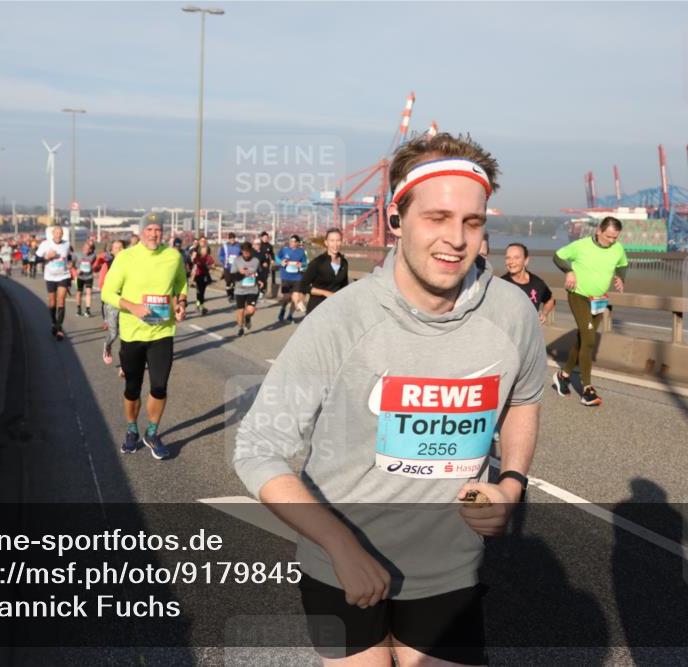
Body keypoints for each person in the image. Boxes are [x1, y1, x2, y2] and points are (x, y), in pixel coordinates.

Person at [234, 132, 545, 665]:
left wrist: (511, 483)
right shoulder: (340, 320)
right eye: (437, 218)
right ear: (396, 219)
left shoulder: (512, 312)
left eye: (472, 222)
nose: (456, 239)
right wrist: (340, 547)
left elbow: (523, 398)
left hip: (451, 571)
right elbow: (257, 449)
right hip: (343, 569)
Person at [101, 213, 188, 460]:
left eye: (157, 229)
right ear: (140, 232)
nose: (153, 233)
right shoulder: (126, 258)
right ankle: (131, 429)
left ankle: (151, 432)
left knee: (159, 386)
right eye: (148, 229)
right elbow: (107, 292)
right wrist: (133, 307)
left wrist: (181, 302)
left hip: (162, 331)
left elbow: (181, 283)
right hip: (133, 333)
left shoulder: (173, 256)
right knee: (132, 387)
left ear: (163, 232)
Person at [552, 216, 628, 407]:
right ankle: (587, 389)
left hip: (599, 300)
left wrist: (620, 277)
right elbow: (557, 256)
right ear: (599, 231)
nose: (611, 241)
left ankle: (563, 375)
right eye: (609, 236)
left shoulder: (617, 248)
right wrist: (569, 271)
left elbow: (623, 264)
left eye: (615, 238)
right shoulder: (581, 246)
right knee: (589, 340)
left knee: (584, 339)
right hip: (579, 296)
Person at [296, 227, 349, 315]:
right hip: (316, 310)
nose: (335, 244)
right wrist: (325, 293)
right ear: (326, 243)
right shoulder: (317, 262)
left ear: (341, 242)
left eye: (338, 240)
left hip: (335, 310)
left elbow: (344, 286)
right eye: (332, 241)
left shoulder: (344, 263)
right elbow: (303, 286)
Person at [36, 226, 74, 341]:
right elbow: (36, 259)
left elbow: (69, 255)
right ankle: (54, 323)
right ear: (52, 234)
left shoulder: (67, 244)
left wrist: (71, 263)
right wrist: (47, 257)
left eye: (60, 233)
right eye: (57, 233)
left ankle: (59, 328)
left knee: (61, 300)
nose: (59, 235)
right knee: (52, 303)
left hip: (64, 275)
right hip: (50, 276)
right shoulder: (45, 244)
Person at [501, 242, 555, 324]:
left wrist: (544, 313)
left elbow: (550, 300)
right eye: (508, 257)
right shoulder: (500, 283)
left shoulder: (537, 283)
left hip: (529, 333)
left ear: (526, 261)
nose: (511, 261)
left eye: (516, 257)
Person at [96, 239, 126, 369]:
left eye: (120, 248)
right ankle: (107, 345)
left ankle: (125, 365)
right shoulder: (107, 265)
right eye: (115, 248)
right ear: (112, 251)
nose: (118, 250)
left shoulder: (131, 264)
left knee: (127, 335)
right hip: (112, 302)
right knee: (114, 333)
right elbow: (101, 284)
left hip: (128, 302)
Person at [231, 241, 261, 337]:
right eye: (245, 252)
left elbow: (260, 272)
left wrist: (261, 280)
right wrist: (240, 273)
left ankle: (247, 318)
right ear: (242, 251)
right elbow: (232, 276)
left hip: (253, 289)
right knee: (240, 310)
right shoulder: (237, 260)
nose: (246, 253)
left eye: (248, 251)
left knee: (251, 310)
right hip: (240, 290)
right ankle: (240, 328)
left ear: (251, 251)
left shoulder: (256, 261)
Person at [276, 234, 308, 322]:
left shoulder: (301, 252)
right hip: (285, 277)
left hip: (297, 277)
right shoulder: (284, 249)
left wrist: (301, 265)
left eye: (293, 241)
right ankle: (283, 309)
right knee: (286, 297)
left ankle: (290, 315)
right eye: (290, 241)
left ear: (297, 243)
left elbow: (305, 264)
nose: (291, 243)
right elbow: (277, 258)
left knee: (295, 297)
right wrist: (280, 262)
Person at [191, 244, 215, 315]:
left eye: (205, 250)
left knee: (202, 292)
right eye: (203, 250)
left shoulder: (209, 257)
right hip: (198, 276)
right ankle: (201, 306)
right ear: (200, 251)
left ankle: (199, 306)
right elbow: (193, 261)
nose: (204, 251)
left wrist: (209, 266)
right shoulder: (197, 257)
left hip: (205, 276)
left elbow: (213, 265)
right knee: (199, 292)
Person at [218, 232, 241, 302]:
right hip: (227, 267)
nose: (232, 240)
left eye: (233, 238)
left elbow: (242, 255)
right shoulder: (224, 246)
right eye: (231, 239)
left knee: (234, 282)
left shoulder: (239, 246)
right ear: (229, 239)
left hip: (236, 267)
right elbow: (221, 255)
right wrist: (224, 260)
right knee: (228, 282)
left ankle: (232, 295)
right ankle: (229, 295)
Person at [75, 242, 97, 317]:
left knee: (89, 292)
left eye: (88, 249)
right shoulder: (78, 254)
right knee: (79, 293)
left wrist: (94, 269)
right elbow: (72, 263)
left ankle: (87, 310)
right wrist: (76, 270)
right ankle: (78, 308)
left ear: (90, 250)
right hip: (80, 277)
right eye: (85, 249)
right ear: (82, 248)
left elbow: (94, 264)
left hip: (89, 276)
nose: (86, 250)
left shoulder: (93, 255)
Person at [258, 231, 275, 297]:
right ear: (261, 237)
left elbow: (272, 254)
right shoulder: (259, 245)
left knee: (265, 277)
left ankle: (262, 291)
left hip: (267, 264)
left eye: (267, 237)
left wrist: (272, 260)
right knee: (258, 277)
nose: (265, 238)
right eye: (264, 237)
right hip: (259, 264)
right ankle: (258, 290)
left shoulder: (269, 246)